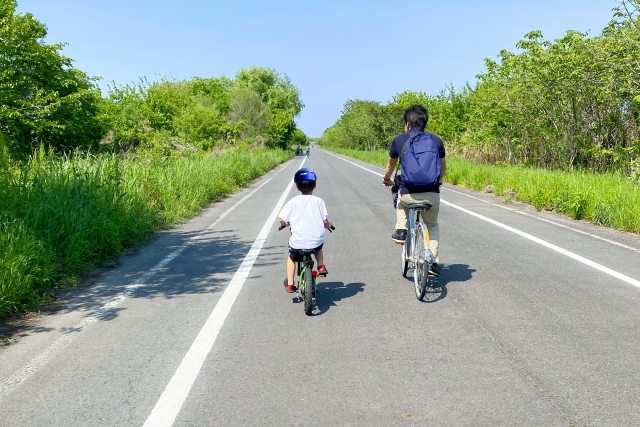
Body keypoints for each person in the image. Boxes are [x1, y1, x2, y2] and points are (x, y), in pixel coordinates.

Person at [382, 105, 446, 276]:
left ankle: (401, 229)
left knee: (400, 202)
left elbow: (390, 166)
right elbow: (442, 169)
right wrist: (436, 184)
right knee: (432, 225)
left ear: (408, 123)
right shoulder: (436, 141)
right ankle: (431, 261)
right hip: (431, 195)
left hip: (408, 194)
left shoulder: (399, 140)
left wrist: (386, 179)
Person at [279, 168, 333, 292]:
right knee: (318, 248)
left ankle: (291, 284)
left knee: (292, 257)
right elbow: (325, 222)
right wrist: (329, 225)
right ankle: (321, 266)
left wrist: (285, 223)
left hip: (298, 243)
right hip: (315, 241)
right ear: (315, 185)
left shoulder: (293, 201)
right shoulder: (319, 201)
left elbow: (282, 219)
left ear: (297, 187)